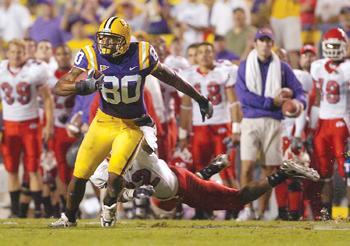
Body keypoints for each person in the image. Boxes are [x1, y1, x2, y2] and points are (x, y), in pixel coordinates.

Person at [50, 16, 213, 228]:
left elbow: (172, 77)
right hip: (103, 122)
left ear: (125, 40)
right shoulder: (91, 53)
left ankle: (109, 204)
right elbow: (59, 86)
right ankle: (69, 219)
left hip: (132, 124)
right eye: (104, 39)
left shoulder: (142, 53)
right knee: (80, 173)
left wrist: (199, 98)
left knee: (115, 175)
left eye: (112, 40)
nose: (106, 44)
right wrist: (82, 87)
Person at [90, 140, 320, 216]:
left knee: (236, 199)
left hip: (174, 181)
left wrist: (132, 192)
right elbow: (114, 194)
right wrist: (132, 193)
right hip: (174, 178)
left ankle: (283, 172)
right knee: (173, 196)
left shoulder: (134, 147)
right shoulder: (102, 168)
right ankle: (209, 170)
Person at [235, 28, 306, 221]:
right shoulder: (244, 66)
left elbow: (300, 91)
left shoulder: (282, 68)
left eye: (268, 41)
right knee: (247, 167)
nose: (265, 44)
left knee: (269, 170)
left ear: (272, 44)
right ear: (255, 43)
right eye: (262, 40)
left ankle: (261, 211)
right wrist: (270, 102)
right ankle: (247, 208)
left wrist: (298, 104)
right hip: (251, 120)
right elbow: (243, 97)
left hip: (274, 122)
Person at [179, 42, 240, 219]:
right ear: (195, 57)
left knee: (227, 170)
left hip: (222, 126)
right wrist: (183, 134)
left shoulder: (223, 71)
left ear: (213, 53)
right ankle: (202, 209)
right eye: (200, 52)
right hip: (199, 129)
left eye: (208, 51)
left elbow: (234, 103)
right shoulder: (188, 75)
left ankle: (234, 206)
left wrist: (236, 128)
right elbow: (186, 108)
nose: (204, 55)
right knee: (200, 172)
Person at [0, 39, 54, 217]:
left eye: (20, 52)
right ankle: (15, 212)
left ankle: (37, 210)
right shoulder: (1, 69)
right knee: (12, 169)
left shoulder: (34, 70)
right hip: (8, 124)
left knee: (32, 169)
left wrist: (48, 123)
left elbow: (47, 98)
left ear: (25, 53)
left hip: (30, 124)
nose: (16, 55)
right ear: (8, 53)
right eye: (13, 52)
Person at [309, 28, 350, 219]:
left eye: (336, 45)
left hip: (343, 122)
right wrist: (312, 125)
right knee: (324, 173)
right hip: (323, 124)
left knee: (347, 172)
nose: (333, 49)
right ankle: (327, 212)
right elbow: (317, 98)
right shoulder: (317, 66)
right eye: (330, 45)